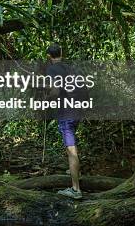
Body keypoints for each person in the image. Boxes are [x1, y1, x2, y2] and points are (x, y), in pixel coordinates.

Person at [45, 43, 82, 200]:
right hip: (78, 109)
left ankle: (76, 190)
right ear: (62, 53)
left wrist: (47, 99)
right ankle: (76, 173)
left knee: (70, 149)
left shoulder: (52, 70)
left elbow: (55, 91)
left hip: (66, 112)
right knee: (72, 143)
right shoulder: (69, 68)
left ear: (49, 56)